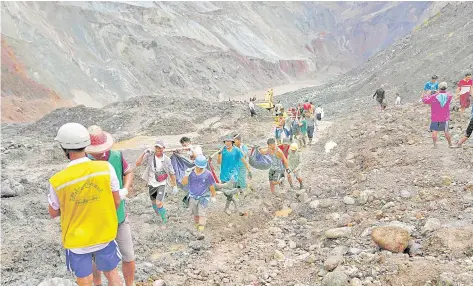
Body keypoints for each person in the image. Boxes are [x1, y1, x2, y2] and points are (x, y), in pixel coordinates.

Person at [48, 123, 123, 286]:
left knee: (85, 279)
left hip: (77, 241)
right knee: (111, 272)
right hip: (104, 234)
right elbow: (116, 200)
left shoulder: (58, 181)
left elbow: (53, 212)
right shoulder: (105, 168)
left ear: (65, 148)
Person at [85, 126, 135, 286]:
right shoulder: (84, 162)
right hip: (96, 221)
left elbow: (128, 172)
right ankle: (97, 283)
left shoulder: (116, 156)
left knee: (128, 255)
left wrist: (125, 189)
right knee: (96, 257)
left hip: (118, 217)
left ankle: (129, 283)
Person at [136, 140, 178, 225]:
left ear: (163, 148)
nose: (158, 149)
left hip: (161, 183)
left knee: (159, 203)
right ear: (154, 148)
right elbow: (137, 164)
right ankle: (159, 214)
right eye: (156, 147)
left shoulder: (167, 159)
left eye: (160, 148)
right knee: (153, 202)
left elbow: (172, 172)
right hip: (151, 183)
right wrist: (144, 153)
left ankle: (164, 220)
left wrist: (175, 185)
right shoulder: (150, 156)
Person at [217, 135, 252, 214]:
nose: (227, 143)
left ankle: (226, 208)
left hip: (233, 175)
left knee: (228, 192)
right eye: (226, 141)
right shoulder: (223, 150)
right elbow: (219, 162)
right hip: (224, 174)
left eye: (229, 141)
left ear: (232, 142)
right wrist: (219, 153)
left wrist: (249, 170)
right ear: (224, 142)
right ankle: (235, 202)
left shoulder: (237, 150)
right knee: (226, 193)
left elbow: (243, 160)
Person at [182, 155, 217, 232]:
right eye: (199, 166)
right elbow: (184, 183)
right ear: (195, 165)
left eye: (202, 167)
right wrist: (186, 175)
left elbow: (211, 186)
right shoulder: (190, 173)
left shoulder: (208, 174)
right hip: (192, 196)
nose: (200, 168)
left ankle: (201, 231)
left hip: (203, 197)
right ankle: (197, 227)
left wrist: (213, 196)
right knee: (195, 214)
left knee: (201, 213)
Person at [422, 82, 453, 148]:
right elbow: (448, 94)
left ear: (439, 88)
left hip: (435, 117)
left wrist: (427, 94)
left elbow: (425, 101)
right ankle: (450, 144)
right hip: (445, 117)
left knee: (435, 131)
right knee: (446, 131)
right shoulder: (449, 96)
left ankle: (435, 145)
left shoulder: (434, 97)